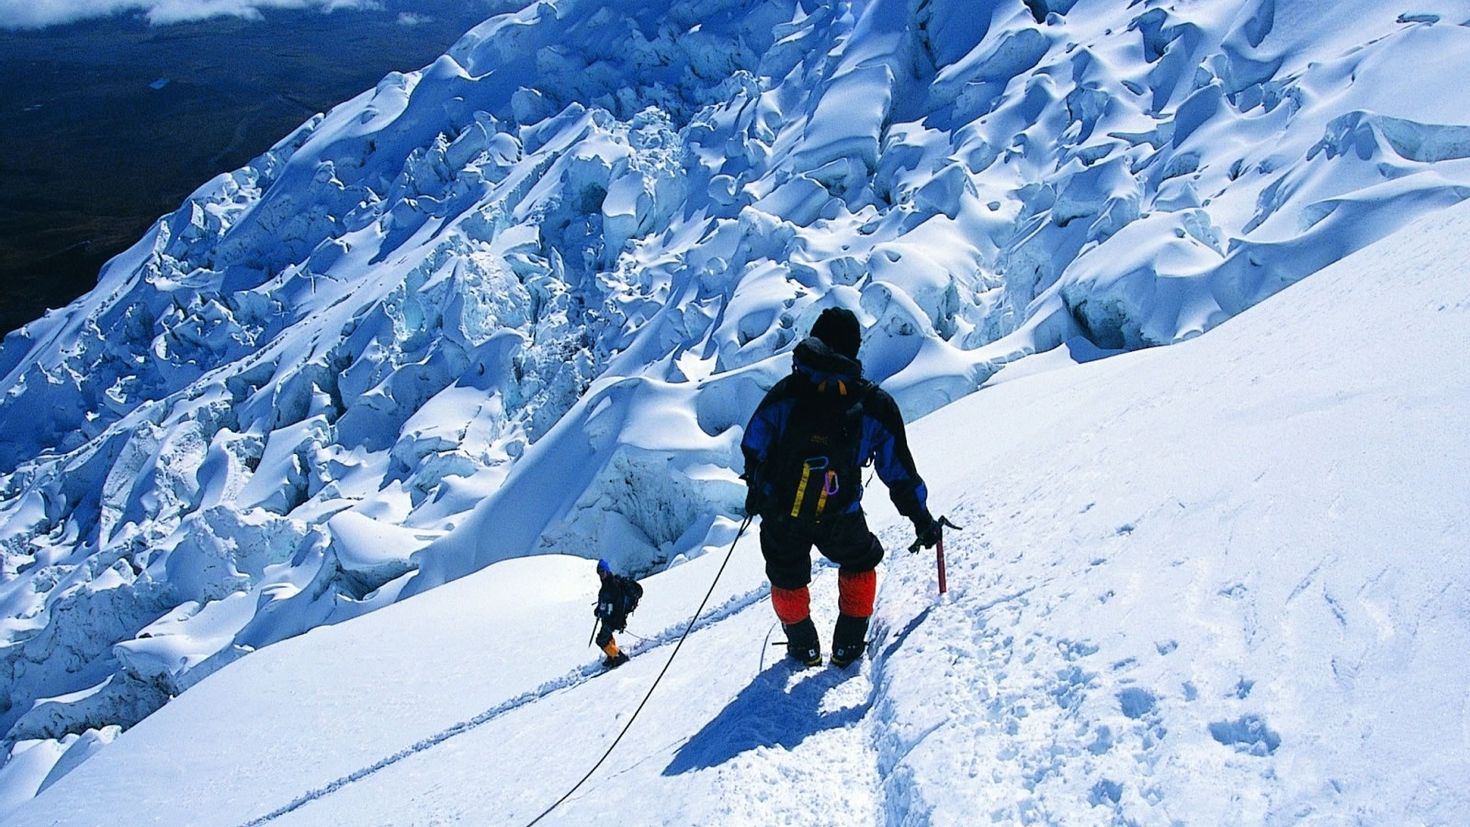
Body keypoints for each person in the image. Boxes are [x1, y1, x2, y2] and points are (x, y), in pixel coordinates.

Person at [741, 307, 940, 668]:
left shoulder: (786, 393)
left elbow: (754, 444)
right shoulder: (873, 403)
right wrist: (920, 517)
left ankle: (803, 647)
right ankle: (848, 644)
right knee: (859, 560)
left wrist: (757, 487)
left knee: (786, 574)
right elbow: (897, 470)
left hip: (783, 511)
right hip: (841, 511)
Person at [593, 559, 642, 669]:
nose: (601, 574)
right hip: (607, 618)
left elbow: (619, 605)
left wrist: (620, 622)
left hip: (614, 619)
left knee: (601, 640)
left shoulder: (613, 586)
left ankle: (619, 657)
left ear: (607, 571)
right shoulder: (605, 586)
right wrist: (598, 610)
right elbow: (604, 602)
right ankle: (612, 656)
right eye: (599, 572)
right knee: (607, 638)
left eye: (602, 571)